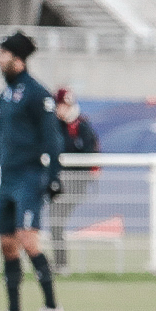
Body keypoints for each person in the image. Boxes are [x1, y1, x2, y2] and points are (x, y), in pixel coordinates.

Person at [0, 32, 64, 311]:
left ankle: (52, 308)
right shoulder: (6, 95)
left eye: (3, 54)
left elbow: (52, 139)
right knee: (7, 245)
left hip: (29, 177)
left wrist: (53, 177)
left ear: (17, 58)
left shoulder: (38, 94)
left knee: (28, 240)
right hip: (8, 179)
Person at [49, 86, 99, 270]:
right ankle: (60, 264)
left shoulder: (81, 126)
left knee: (56, 220)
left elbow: (88, 154)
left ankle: (61, 265)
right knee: (55, 222)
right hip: (58, 181)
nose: (61, 109)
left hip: (76, 182)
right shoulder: (54, 125)